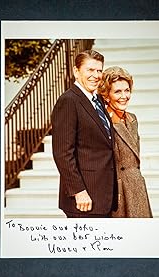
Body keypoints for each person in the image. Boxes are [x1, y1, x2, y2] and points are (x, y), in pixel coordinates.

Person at [51, 50, 118, 218]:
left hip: (103, 197)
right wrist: (78, 191)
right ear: (76, 71)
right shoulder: (69, 101)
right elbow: (62, 153)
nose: (96, 75)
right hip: (84, 200)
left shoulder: (98, 100)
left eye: (99, 70)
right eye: (90, 70)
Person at [97, 66, 152, 218]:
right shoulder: (103, 122)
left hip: (137, 187)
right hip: (118, 193)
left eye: (127, 90)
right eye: (117, 91)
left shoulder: (132, 118)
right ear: (106, 95)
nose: (124, 96)